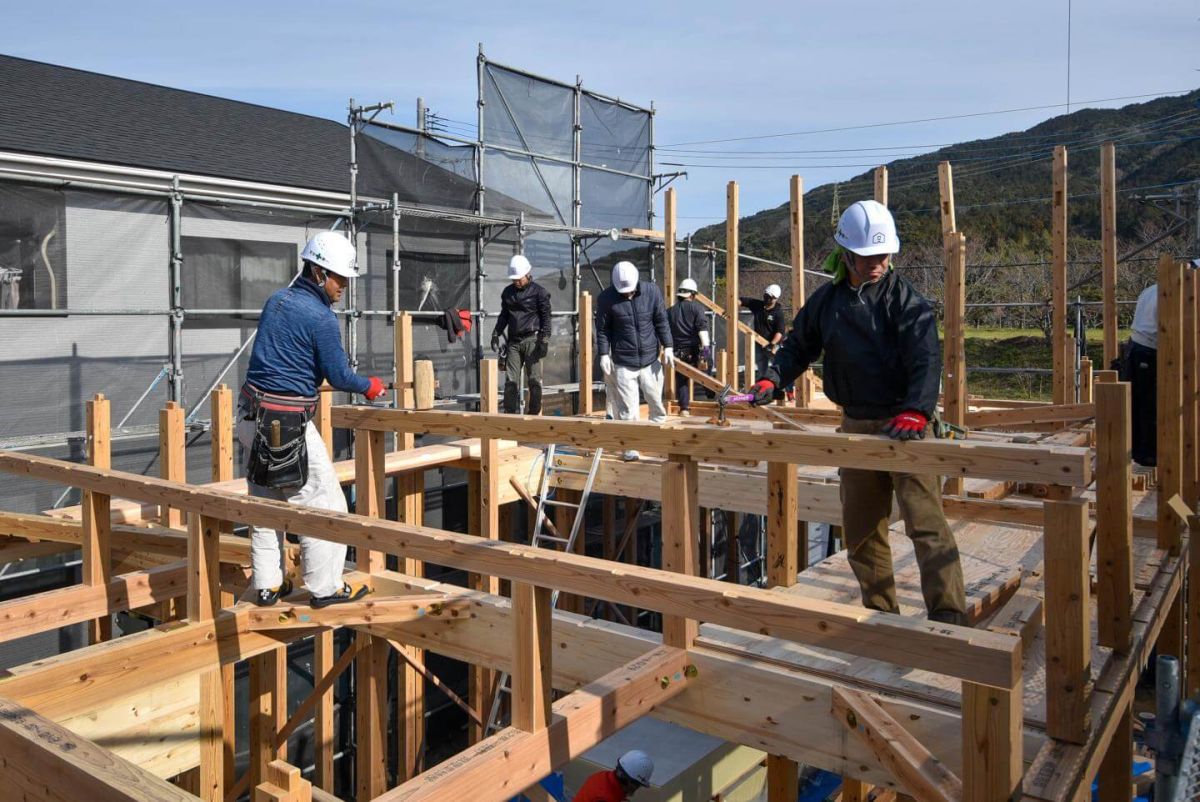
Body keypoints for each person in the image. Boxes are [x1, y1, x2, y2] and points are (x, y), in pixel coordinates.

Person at [748, 200, 968, 626]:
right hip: (856, 425)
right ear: (846, 255)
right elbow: (799, 346)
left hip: (907, 427)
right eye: (868, 257)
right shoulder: (828, 302)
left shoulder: (907, 302)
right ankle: (882, 617)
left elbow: (926, 359)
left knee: (926, 525)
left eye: (884, 256)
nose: (877, 264)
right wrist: (773, 378)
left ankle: (949, 618)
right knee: (863, 532)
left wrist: (917, 411)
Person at [238, 231, 385, 608]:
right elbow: (337, 376)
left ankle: (268, 585)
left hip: (252, 419)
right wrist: (368, 386)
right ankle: (325, 588)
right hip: (288, 428)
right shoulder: (320, 318)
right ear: (319, 272)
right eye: (340, 279)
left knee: (265, 502)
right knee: (327, 507)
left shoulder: (277, 301)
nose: (344, 287)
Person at [596, 261, 674, 461]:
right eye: (623, 292)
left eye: (630, 291)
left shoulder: (651, 291)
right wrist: (604, 353)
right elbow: (603, 330)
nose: (627, 295)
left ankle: (657, 440)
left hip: (650, 359)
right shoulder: (606, 298)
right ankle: (630, 446)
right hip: (623, 361)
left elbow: (661, 320)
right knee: (627, 409)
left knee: (656, 402)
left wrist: (669, 346)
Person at [490, 254, 552, 415]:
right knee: (511, 381)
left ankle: (533, 416)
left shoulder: (540, 293)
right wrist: (496, 332)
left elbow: (546, 317)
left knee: (534, 380)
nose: (516, 281)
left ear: (527, 274)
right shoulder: (507, 293)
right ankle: (510, 415)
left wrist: (544, 339)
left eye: (519, 278)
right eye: (514, 279)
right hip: (514, 342)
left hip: (533, 339)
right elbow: (504, 315)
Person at [1120, 283, 1158, 466]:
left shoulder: (1152, 289)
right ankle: (1146, 453)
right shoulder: (1173, 291)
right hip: (1148, 351)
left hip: (1137, 347)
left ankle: (1139, 449)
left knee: (1139, 401)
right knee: (1148, 402)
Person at [667, 277, 711, 416]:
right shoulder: (696, 308)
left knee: (682, 381)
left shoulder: (669, 311)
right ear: (692, 294)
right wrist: (706, 349)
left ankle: (684, 408)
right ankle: (711, 394)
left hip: (677, 351)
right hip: (694, 350)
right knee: (707, 369)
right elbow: (702, 330)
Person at [739, 283, 787, 383]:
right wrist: (731, 307)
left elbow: (780, 331)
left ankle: (781, 387)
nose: (767, 299)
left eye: (770, 298)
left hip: (773, 345)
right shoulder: (758, 306)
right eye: (766, 296)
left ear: (775, 299)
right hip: (759, 342)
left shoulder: (778, 313)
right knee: (761, 367)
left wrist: (772, 344)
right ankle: (764, 389)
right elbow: (742, 300)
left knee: (778, 367)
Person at [573, 750, 654, 802]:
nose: (636, 789)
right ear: (630, 782)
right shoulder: (604, 798)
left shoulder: (604, 776)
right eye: (637, 785)